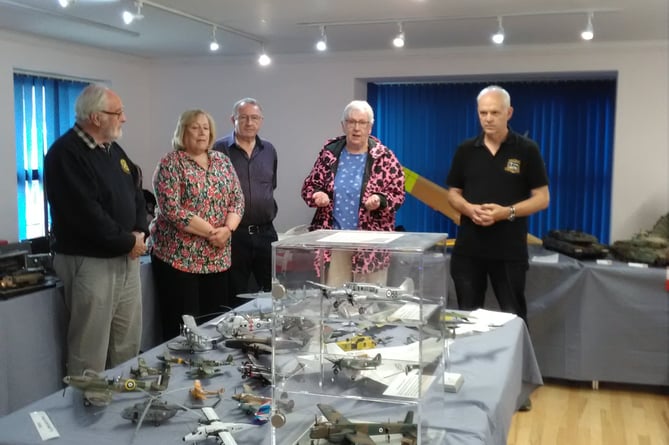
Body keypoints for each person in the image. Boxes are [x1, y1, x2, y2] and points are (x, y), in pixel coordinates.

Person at [44, 84, 148, 376]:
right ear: (96, 117)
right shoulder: (65, 154)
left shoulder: (113, 149)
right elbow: (85, 214)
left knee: (126, 342)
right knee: (90, 347)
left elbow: (137, 194)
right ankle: (86, 409)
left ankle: (122, 406)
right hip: (90, 261)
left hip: (126, 256)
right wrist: (129, 240)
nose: (124, 119)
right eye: (118, 113)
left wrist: (140, 232)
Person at [446, 85, 550, 325]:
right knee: (467, 318)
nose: (488, 119)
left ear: (509, 113)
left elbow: (542, 198)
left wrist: (507, 213)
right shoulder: (465, 150)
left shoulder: (526, 150)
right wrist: (469, 209)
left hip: (509, 251)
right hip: (469, 250)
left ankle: (515, 362)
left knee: (513, 317)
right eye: (483, 113)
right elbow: (453, 194)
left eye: (495, 113)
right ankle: (469, 362)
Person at [149, 109, 244, 341]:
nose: (202, 132)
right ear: (183, 131)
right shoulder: (171, 163)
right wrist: (213, 232)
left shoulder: (222, 160)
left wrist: (228, 230)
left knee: (215, 324)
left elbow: (237, 199)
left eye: (206, 127)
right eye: (195, 127)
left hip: (217, 258)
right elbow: (172, 209)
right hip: (180, 260)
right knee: (183, 329)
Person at [301, 100, 405, 286]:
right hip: (334, 242)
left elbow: (397, 194)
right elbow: (309, 186)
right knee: (335, 298)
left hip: (371, 244)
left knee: (369, 300)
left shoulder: (385, 157)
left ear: (370, 127)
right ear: (343, 125)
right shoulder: (329, 154)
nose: (356, 128)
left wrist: (380, 200)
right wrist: (318, 195)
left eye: (362, 122)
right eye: (351, 122)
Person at [213, 98, 278, 304]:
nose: (249, 123)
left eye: (254, 118)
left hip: (266, 232)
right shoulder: (219, 149)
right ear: (233, 119)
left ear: (261, 120)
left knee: (273, 293)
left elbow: (270, 186)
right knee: (234, 294)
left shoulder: (269, 150)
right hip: (234, 235)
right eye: (244, 118)